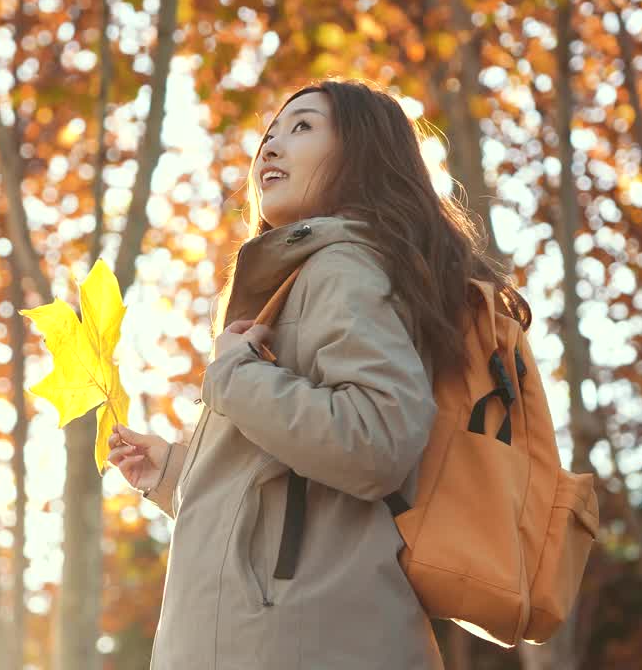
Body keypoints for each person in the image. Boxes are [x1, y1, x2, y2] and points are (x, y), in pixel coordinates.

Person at [106, 79, 529, 669]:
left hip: (301, 643)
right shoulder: (306, 278)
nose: (270, 149)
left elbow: (377, 440)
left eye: (301, 127)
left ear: (362, 155)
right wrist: (177, 474)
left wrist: (234, 378)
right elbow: (291, 507)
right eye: (270, 134)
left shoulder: (343, 264)